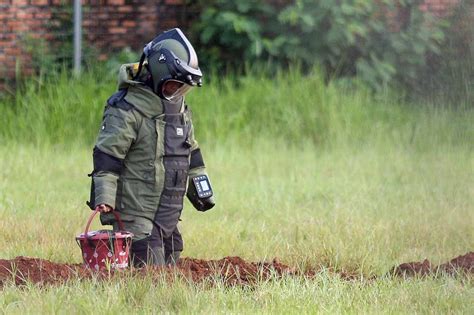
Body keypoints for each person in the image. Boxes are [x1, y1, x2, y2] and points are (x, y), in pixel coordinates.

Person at [87, 28, 215, 267]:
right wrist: (104, 196)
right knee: (149, 269)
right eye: (172, 86)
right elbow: (107, 157)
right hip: (137, 215)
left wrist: (201, 188)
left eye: (181, 88)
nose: (176, 93)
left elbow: (191, 152)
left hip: (168, 212)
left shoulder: (179, 110)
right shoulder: (126, 110)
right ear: (157, 74)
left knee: (172, 259)